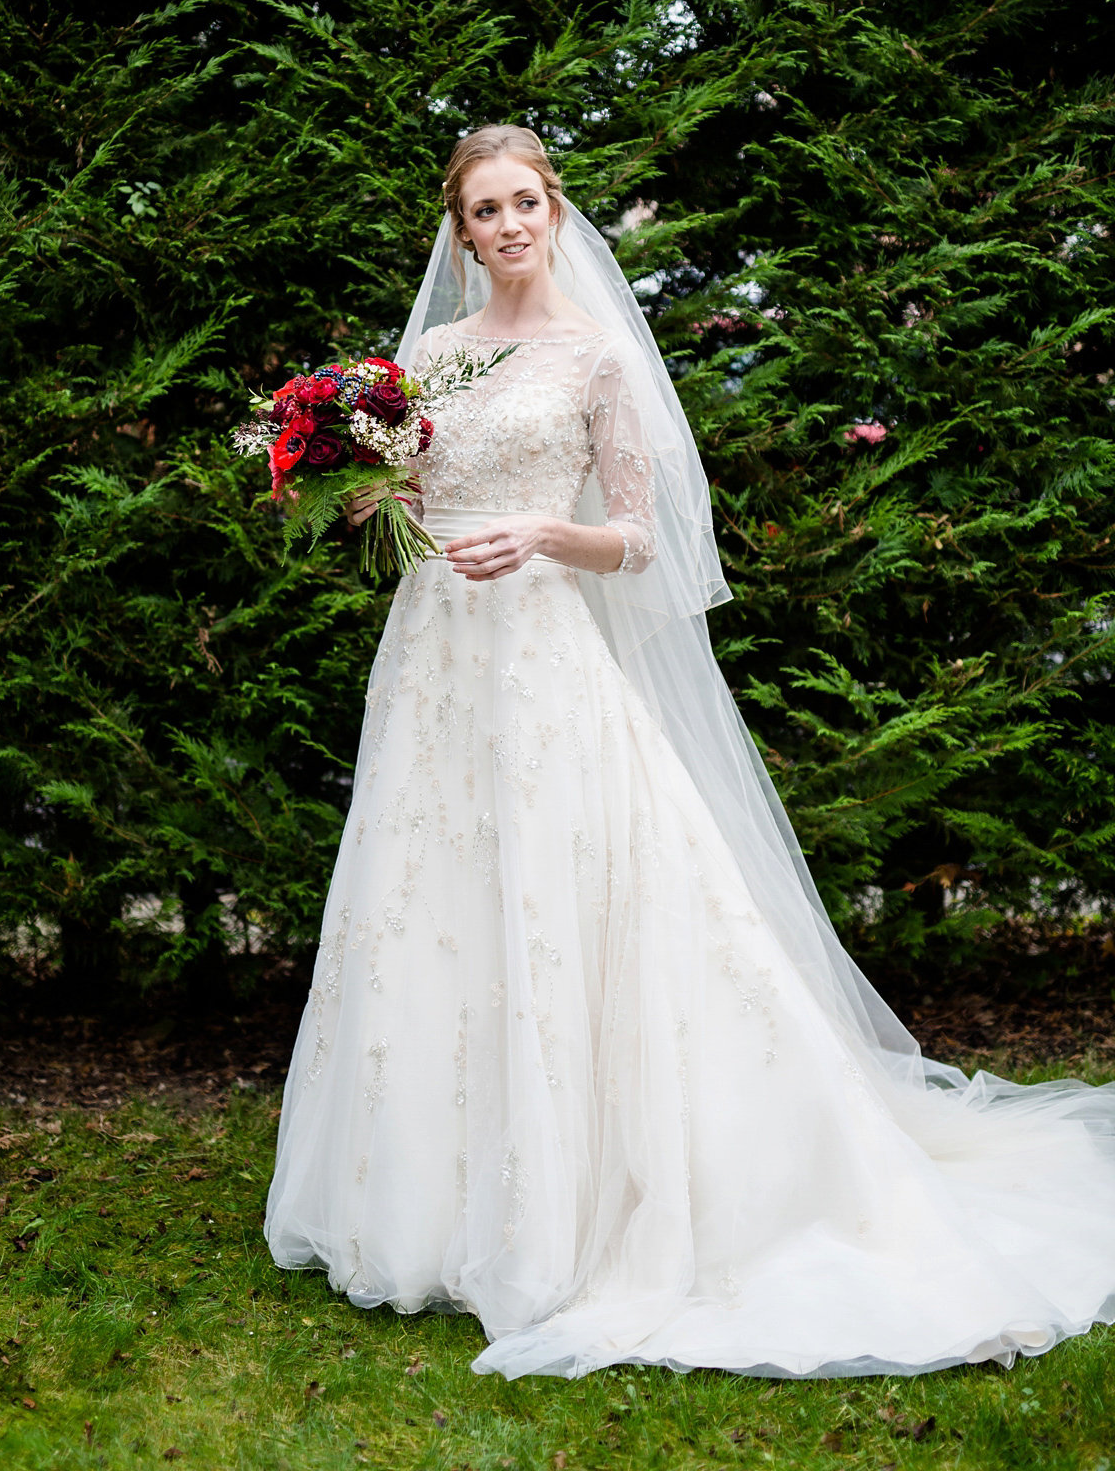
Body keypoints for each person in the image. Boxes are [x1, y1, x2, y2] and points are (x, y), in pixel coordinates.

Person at [265, 124, 1115, 1380]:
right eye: (482, 212)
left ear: (555, 213)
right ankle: (434, 1201)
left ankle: (608, 1197)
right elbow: (412, 490)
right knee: (428, 899)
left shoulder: (597, 358)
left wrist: (553, 532)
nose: (505, 228)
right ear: (458, 232)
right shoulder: (428, 358)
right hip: (436, 659)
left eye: (523, 205)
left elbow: (646, 545)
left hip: (546, 658)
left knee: (573, 900)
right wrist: (363, 485)